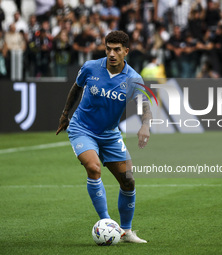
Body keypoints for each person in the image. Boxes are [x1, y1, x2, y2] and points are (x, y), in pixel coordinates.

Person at [56, 31, 151, 243]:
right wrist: (65, 115)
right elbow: (76, 88)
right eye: (108, 48)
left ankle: (126, 231)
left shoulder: (133, 78)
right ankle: (108, 224)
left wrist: (145, 125)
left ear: (126, 51)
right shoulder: (91, 67)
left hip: (109, 134)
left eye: (117, 49)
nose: (112, 53)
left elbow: (145, 103)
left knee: (128, 182)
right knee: (94, 167)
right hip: (82, 128)